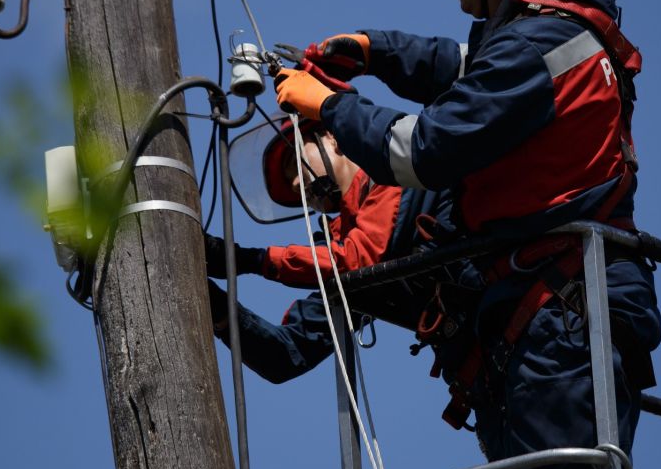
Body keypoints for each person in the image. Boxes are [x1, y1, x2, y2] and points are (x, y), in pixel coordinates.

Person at [274, 0, 661, 469]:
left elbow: (418, 150)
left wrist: (328, 105)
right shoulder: (550, 35)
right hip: (559, 320)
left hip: (556, 323)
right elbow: (459, 66)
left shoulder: (533, 49)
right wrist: (372, 49)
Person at [204, 116, 477, 383]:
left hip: (510, 325)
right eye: (290, 182)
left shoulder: (394, 168)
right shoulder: (339, 248)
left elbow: (360, 257)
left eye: (295, 162)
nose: (296, 185)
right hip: (486, 381)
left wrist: (252, 260)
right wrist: (215, 305)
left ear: (332, 138)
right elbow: (286, 354)